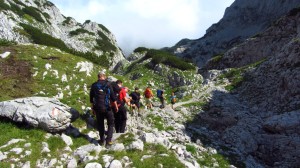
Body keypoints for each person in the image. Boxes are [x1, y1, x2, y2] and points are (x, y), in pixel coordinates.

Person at [90, 71, 118, 147]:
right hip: (107, 108)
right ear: (104, 76)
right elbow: (112, 96)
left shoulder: (94, 85)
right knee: (111, 123)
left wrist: (92, 108)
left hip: (98, 108)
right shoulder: (108, 84)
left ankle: (102, 140)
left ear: (98, 77)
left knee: (100, 124)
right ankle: (108, 141)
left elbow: (91, 97)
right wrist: (116, 106)